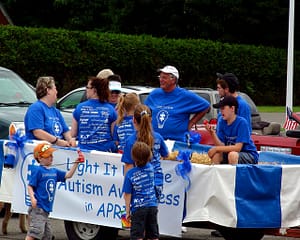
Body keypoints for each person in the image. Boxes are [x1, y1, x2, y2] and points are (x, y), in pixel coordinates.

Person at [25, 142, 83, 240]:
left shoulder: (54, 172)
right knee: (34, 233)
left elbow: (68, 175)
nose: (51, 157)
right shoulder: (38, 171)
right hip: (38, 208)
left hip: (46, 210)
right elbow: (30, 186)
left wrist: (76, 164)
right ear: (40, 158)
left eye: (51, 155)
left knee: (47, 235)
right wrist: (32, 198)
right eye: (48, 156)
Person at [145, 65, 210, 142]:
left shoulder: (185, 95)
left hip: (177, 142)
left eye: (164, 78)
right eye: (160, 77)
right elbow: (144, 110)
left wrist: (191, 123)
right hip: (155, 140)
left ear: (173, 80)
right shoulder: (155, 94)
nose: (161, 80)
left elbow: (206, 106)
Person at [121, 104, 169, 199]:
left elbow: (128, 166)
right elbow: (166, 154)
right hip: (156, 181)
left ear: (134, 120)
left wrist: (127, 188)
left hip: (138, 182)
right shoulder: (158, 138)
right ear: (150, 119)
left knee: (138, 212)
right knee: (152, 211)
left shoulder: (131, 141)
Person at [206, 96, 258, 164]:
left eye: (223, 108)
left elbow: (238, 148)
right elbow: (221, 145)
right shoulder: (221, 121)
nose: (221, 111)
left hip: (248, 154)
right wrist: (212, 133)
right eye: (220, 109)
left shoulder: (241, 122)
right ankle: (217, 174)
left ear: (232, 108)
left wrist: (216, 149)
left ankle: (234, 174)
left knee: (232, 155)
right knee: (216, 155)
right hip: (231, 152)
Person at [24, 76, 75, 147]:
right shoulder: (36, 108)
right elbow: (37, 132)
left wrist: (70, 140)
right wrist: (57, 141)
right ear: (48, 90)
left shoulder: (55, 111)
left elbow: (65, 130)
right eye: (55, 89)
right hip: (43, 151)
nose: (56, 92)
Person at [123, 141, 159, 240]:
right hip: (152, 206)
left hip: (138, 208)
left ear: (133, 157)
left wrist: (127, 212)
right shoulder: (151, 169)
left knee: (137, 235)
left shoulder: (130, 174)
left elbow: (127, 194)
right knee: (153, 235)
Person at [71, 76, 117, 152]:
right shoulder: (111, 109)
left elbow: (73, 134)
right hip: (105, 152)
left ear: (94, 90)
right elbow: (113, 135)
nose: (86, 90)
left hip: (84, 152)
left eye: (87, 87)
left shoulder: (79, 108)